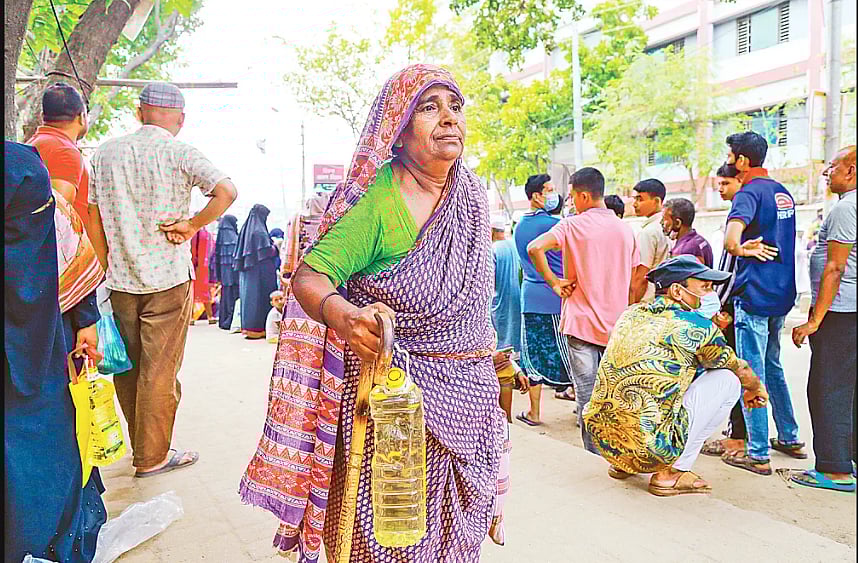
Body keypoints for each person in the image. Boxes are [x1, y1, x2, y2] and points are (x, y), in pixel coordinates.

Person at [240, 64, 506, 562]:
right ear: (399, 130)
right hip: (394, 401)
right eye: (430, 107)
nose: (449, 118)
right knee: (392, 536)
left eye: (455, 107)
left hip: (469, 393)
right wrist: (344, 318)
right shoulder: (379, 202)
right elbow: (309, 279)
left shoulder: (468, 193)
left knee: (455, 534)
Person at [88, 82, 237, 477]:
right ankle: (152, 457)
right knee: (160, 371)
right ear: (180, 120)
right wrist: (191, 225)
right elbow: (226, 191)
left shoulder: (105, 153)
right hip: (168, 279)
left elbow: (93, 218)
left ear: (139, 112)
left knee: (128, 367)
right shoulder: (179, 152)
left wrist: (105, 268)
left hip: (120, 281)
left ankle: (143, 449)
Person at [584, 256, 769, 496]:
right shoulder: (696, 327)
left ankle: (623, 465)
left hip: (605, 440)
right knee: (728, 380)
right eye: (704, 287)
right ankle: (671, 474)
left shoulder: (630, 315)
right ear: (677, 291)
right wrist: (755, 388)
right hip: (649, 448)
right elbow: (738, 368)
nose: (710, 294)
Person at [5, 141, 107, 562]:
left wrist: (86, 323)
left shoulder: (50, 210)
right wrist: (83, 320)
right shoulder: (50, 213)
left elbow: (78, 272)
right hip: (49, 353)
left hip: (51, 352)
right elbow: (76, 262)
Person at [527, 167, 641, 453]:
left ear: (584, 195)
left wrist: (554, 282)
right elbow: (635, 279)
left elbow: (534, 248)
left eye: (573, 198)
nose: (571, 204)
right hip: (615, 325)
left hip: (580, 324)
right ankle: (617, 452)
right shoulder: (625, 230)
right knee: (614, 395)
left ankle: (593, 456)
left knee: (587, 396)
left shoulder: (571, 226)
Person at [720, 130, 804, 476]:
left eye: (729, 155)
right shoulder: (783, 193)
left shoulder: (748, 193)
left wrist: (741, 248)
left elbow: (729, 241)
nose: (727, 161)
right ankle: (789, 435)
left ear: (741, 161)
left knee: (750, 373)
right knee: (774, 367)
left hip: (754, 296)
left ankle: (757, 452)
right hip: (781, 294)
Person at [791, 145, 857, 491]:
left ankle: (834, 469)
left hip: (841, 313)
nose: (826, 173)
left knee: (827, 388)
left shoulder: (847, 208)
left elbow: (835, 266)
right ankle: (849, 459)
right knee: (849, 389)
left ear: (852, 169)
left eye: (832, 167)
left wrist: (814, 320)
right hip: (851, 312)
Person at [513, 174, 575, 427]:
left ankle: (534, 412)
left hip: (531, 297)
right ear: (536, 196)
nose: (553, 195)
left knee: (532, 356)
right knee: (573, 353)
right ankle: (580, 404)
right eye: (548, 190)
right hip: (559, 296)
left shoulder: (519, 226)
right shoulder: (556, 225)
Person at [701, 163, 749, 457]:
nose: (721, 189)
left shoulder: (742, 219)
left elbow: (732, 271)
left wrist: (723, 307)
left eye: (726, 183)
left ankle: (738, 436)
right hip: (730, 304)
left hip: (732, 307)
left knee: (735, 370)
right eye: (718, 184)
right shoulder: (738, 216)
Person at [26, 82, 93, 231]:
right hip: (60, 251)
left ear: (43, 116)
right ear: (82, 117)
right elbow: (58, 216)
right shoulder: (64, 151)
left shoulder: (35, 143)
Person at [234, 204, 278, 339]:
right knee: (259, 298)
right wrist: (276, 247)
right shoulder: (259, 232)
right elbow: (265, 251)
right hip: (261, 272)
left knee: (249, 299)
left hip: (248, 273)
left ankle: (249, 327)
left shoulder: (245, 230)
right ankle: (258, 328)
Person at [630, 178, 672, 303]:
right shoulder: (667, 226)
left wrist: (630, 306)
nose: (634, 204)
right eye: (634, 199)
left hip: (648, 300)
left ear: (657, 201)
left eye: (640, 199)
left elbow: (642, 276)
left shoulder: (648, 233)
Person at [662, 197, 714, 267]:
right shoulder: (700, 240)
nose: (661, 222)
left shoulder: (684, 251)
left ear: (678, 223)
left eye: (665, 219)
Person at [210, 215, 240, 331]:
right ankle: (230, 320)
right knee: (232, 296)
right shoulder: (232, 237)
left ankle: (224, 320)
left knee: (226, 295)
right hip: (233, 274)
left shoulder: (222, 236)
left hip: (224, 273)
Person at [190, 225, 215, 325]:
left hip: (193, 265)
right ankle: (210, 316)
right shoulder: (207, 234)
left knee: (192, 291)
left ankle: (191, 318)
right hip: (203, 267)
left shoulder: (191, 233)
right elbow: (211, 251)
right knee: (204, 290)